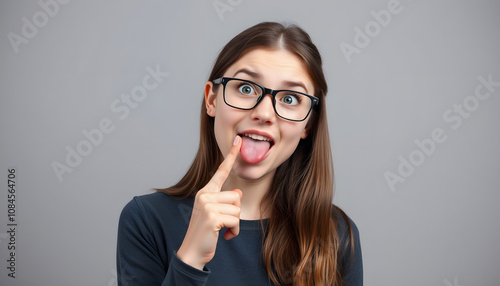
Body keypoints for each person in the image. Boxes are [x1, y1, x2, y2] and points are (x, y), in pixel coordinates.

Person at [116, 22, 363, 285]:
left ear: (308, 124)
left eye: (290, 99)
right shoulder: (145, 220)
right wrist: (189, 259)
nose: (264, 114)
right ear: (212, 100)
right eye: (246, 88)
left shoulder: (336, 234)